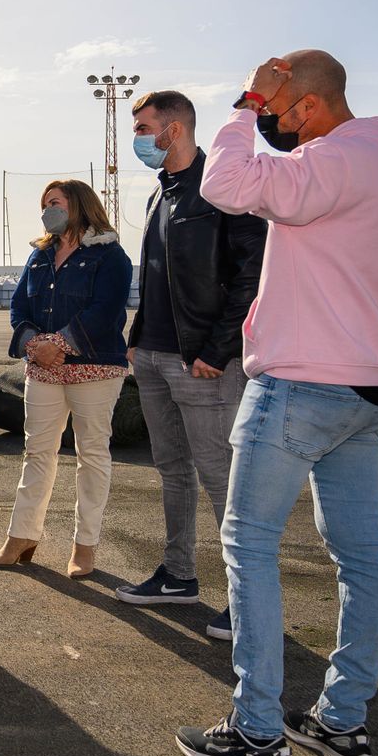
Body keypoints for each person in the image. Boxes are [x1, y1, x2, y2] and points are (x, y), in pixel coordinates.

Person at [174, 51, 378, 756]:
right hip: (372, 387)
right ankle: (341, 721)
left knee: (247, 542)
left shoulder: (337, 160)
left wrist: (246, 102)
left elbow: (224, 182)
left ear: (309, 107)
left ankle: (257, 735)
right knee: (359, 553)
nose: (279, 130)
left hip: (301, 384)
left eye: (284, 117)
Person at [115, 91, 268, 643]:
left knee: (221, 476)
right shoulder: (165, 193)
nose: (137, 137)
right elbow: (158, 274)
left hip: (201, 361)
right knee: (172, 470)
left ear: (174, 130)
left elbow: (253, 276)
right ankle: (179, 575)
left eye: (143, 127)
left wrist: (218, 349)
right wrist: (136, 339)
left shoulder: (222, 189)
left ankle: (246, 602)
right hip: (155, 355)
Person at [0, 179, 131, 579]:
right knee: (37, 452)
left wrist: (60, 345)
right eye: (44, 203)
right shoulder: (39, 256)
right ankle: (21, 537)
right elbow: (19, 307)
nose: (48, 209)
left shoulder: (110, 256)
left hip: (95, 368)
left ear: (80, 206)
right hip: (43, 370)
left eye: (56, 202)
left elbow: (105, 311)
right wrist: (36, 345)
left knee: (91, 456)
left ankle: (85, 546)